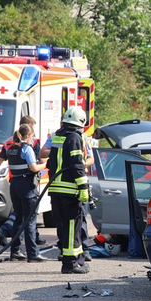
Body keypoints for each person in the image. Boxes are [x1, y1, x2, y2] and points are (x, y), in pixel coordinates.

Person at [0, 115, 45, 247]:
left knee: (20, 214)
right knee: (30, 215)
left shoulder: (8, 143)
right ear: (29, 129)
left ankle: (16, 247)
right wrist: (47, 165)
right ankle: (31, 247)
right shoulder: (33, 143)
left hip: (13, 182)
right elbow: (38, 163)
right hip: (28, 181)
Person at [47, 106, 92, 274]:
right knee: (73, 227)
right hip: (70, 191)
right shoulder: (74, 138)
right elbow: (77, 164)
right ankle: (70, 264)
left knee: (67, 227)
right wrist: (83, 187)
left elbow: (50, 162)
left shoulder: (58, 136)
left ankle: (78, 259)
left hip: (56, 190)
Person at [7, 124, 48, 263]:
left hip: (14, 186)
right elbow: (34, 167)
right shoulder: (27, 149)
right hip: (26, 186)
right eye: (32, 136)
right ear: (28, 135)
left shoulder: (11, 149)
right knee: (30, 220)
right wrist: (46, 165)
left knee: (19, 219)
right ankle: (33, 254)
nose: (32, 139)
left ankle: (15, 251)